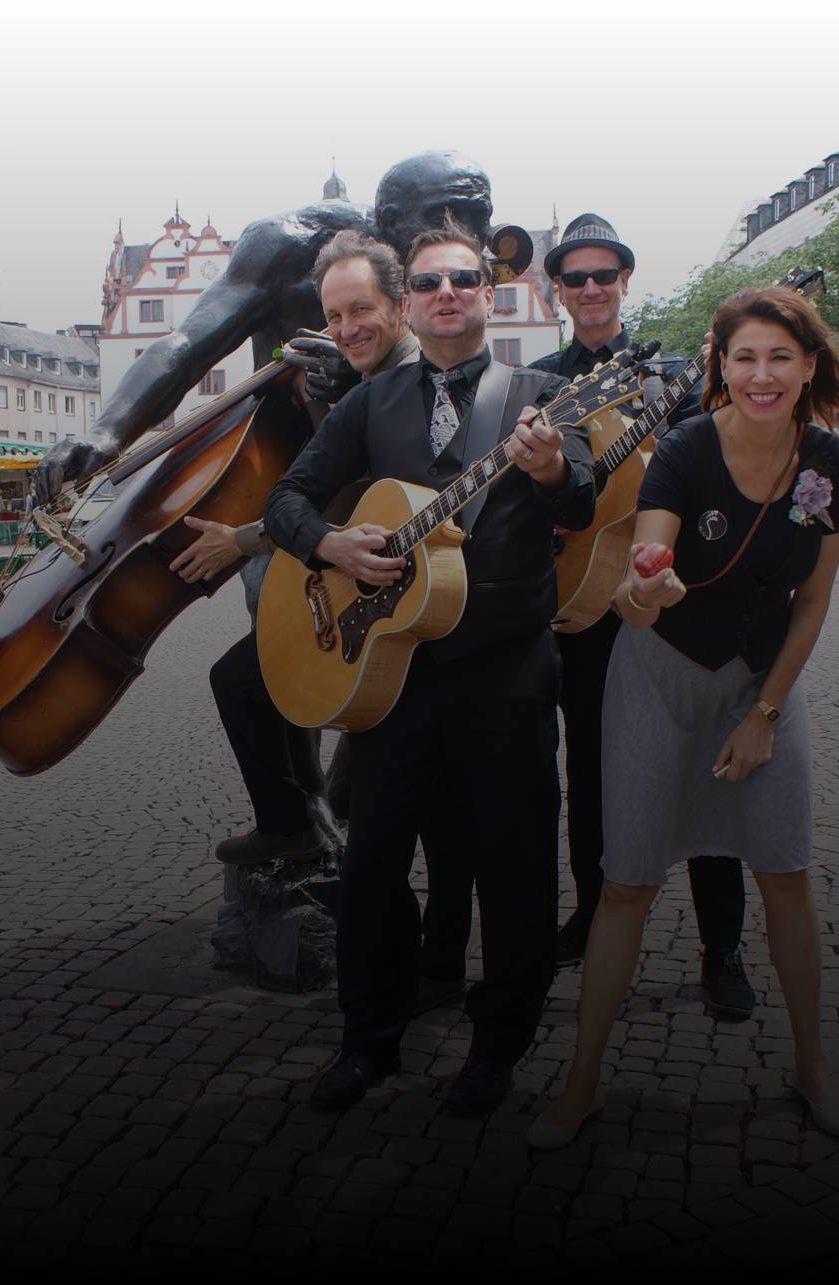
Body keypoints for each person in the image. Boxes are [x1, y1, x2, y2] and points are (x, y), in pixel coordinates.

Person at [265, 216, 595, 1116]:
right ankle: (367, 1039)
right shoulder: (369, 405)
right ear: (409, 303)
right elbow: (286, 498)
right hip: (395, 673)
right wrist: (329, 542)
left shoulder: (544, 395)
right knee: (372, 865)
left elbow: (585, 499)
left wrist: (554, 471)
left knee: (514, 869)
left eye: (461, 280)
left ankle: (497, 1046)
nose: (445, 294)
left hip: (506, 673)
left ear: (488, 294)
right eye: (427, 283)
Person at [531, 284, 839, 1149]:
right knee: (627, 884)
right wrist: (648, 587)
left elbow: (812, 601)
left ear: (809, 366)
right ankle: (580, 1083)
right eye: (744, 357)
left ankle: (814, 1067)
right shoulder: (683, 449)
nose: (762, 375)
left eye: (780, 357)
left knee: (786, 874)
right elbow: (639, 585)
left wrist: (766, 712)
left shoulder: (828, 462)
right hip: (659, 679)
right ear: (720, 364)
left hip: (759, 683)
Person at [173, 230, 469, 1008]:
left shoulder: (427, 385)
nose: (345, 327)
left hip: (427, 615)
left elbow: (373, 494)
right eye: (334, 315)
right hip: (358, 601)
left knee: (427, 808)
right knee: (252, 686)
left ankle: (431, 966)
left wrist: (244, 539)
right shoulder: (361, 391)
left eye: (359, 309)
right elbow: (304, 497)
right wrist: (308, 536)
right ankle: (319, 857)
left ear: (399, 303)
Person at [528, 213, 754, 1018]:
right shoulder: (537, 383)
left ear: (625, 281)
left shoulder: (672, 377)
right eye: (575, 277)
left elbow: (714, 473)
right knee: (590, 775)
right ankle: (593, 914)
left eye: (604, 275)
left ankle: (722, 948)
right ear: (556, 292)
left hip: (671, 601)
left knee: (700, 774)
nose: (590, 288)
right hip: (582, 605)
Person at [39, 151, 499, 501]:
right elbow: (187, 346)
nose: (470, 239)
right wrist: (106, 433)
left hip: (410, 471)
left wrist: (365, 381)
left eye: (480, 220)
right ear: (392, 220)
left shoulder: (455, 271)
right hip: (281, 467)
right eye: (449, 216)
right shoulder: (286, 246)